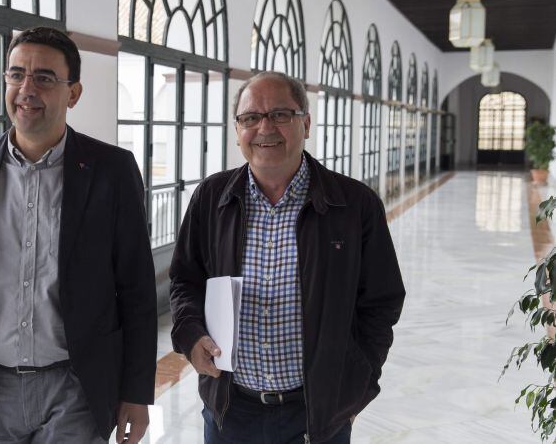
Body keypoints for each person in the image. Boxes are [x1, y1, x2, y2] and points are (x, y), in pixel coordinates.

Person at [0, 26, 157, 444]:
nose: (26, 88)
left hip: (76, 388)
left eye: (44, 77)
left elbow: (136, 289)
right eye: (16, 74)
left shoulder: (111, 171)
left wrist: (135, 392)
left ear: (73, 93)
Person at [169, 71, 405, 444]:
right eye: (250, 118)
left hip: (316, 413)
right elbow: (185, 280)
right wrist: (190, 333)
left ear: (305, 123)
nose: (265, 128)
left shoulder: (354, 204)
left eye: (280, 114)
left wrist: (356, 384)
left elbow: (382, 300)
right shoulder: (211, 198)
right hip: (230, 408)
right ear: (237, 130)